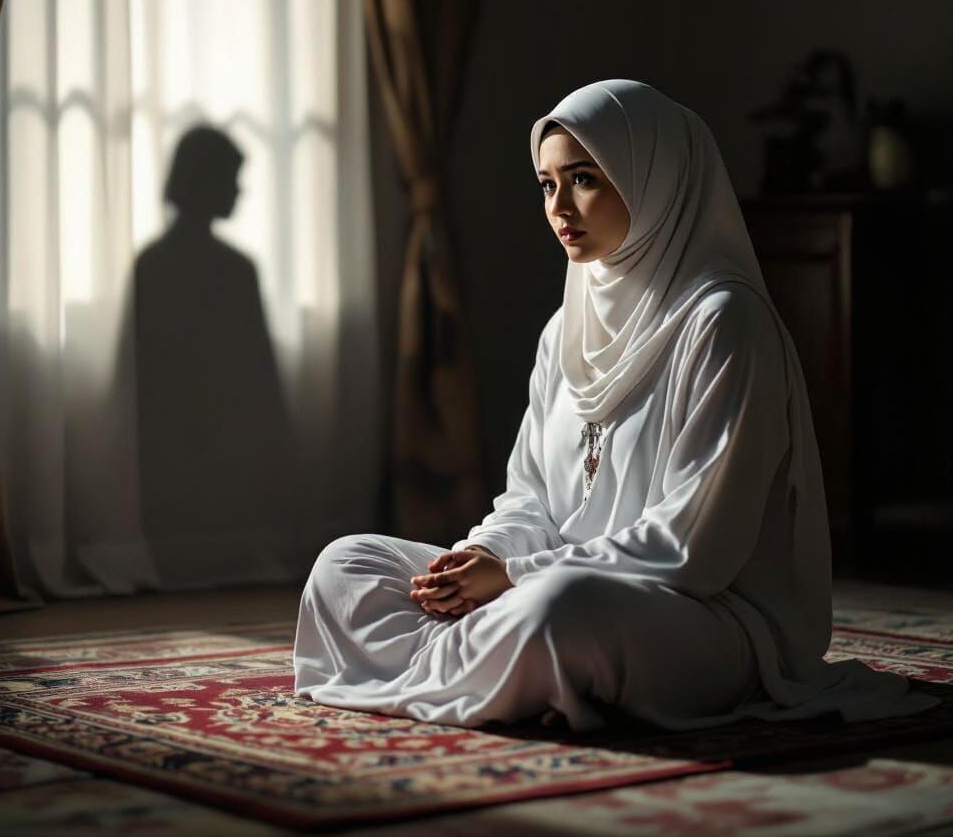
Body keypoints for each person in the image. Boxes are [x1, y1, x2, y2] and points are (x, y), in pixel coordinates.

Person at [292, 79, 941, 733]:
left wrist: (513, 576)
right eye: (547, 184)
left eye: (583, 179)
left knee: (559, 610)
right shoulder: (564, 329)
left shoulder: (723, 321)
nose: (559, 207)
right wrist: (478, 560)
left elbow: (694, 548)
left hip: (706, 618)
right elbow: (529, 498)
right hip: (545, 589)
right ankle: (486, 668)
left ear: (650, 179)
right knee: (344, 567)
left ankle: (456, 666)